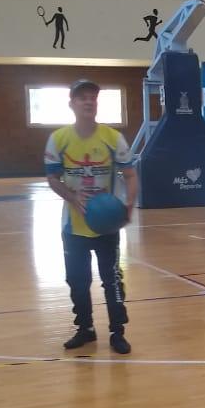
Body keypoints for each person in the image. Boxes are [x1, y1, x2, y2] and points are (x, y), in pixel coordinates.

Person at [44, 79, 139, 355]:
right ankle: (85, 328)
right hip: (73, 226)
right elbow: (52, 177)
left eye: (93, 98)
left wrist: (128, 205)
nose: (88, 101)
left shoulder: (112, 138)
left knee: (112, 280)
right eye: (82, 97)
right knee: (77, 280)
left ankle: (117, 332)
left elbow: (130, 175)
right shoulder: (59, 139)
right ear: (72, 104)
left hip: (106, 226)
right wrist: (72, 197)